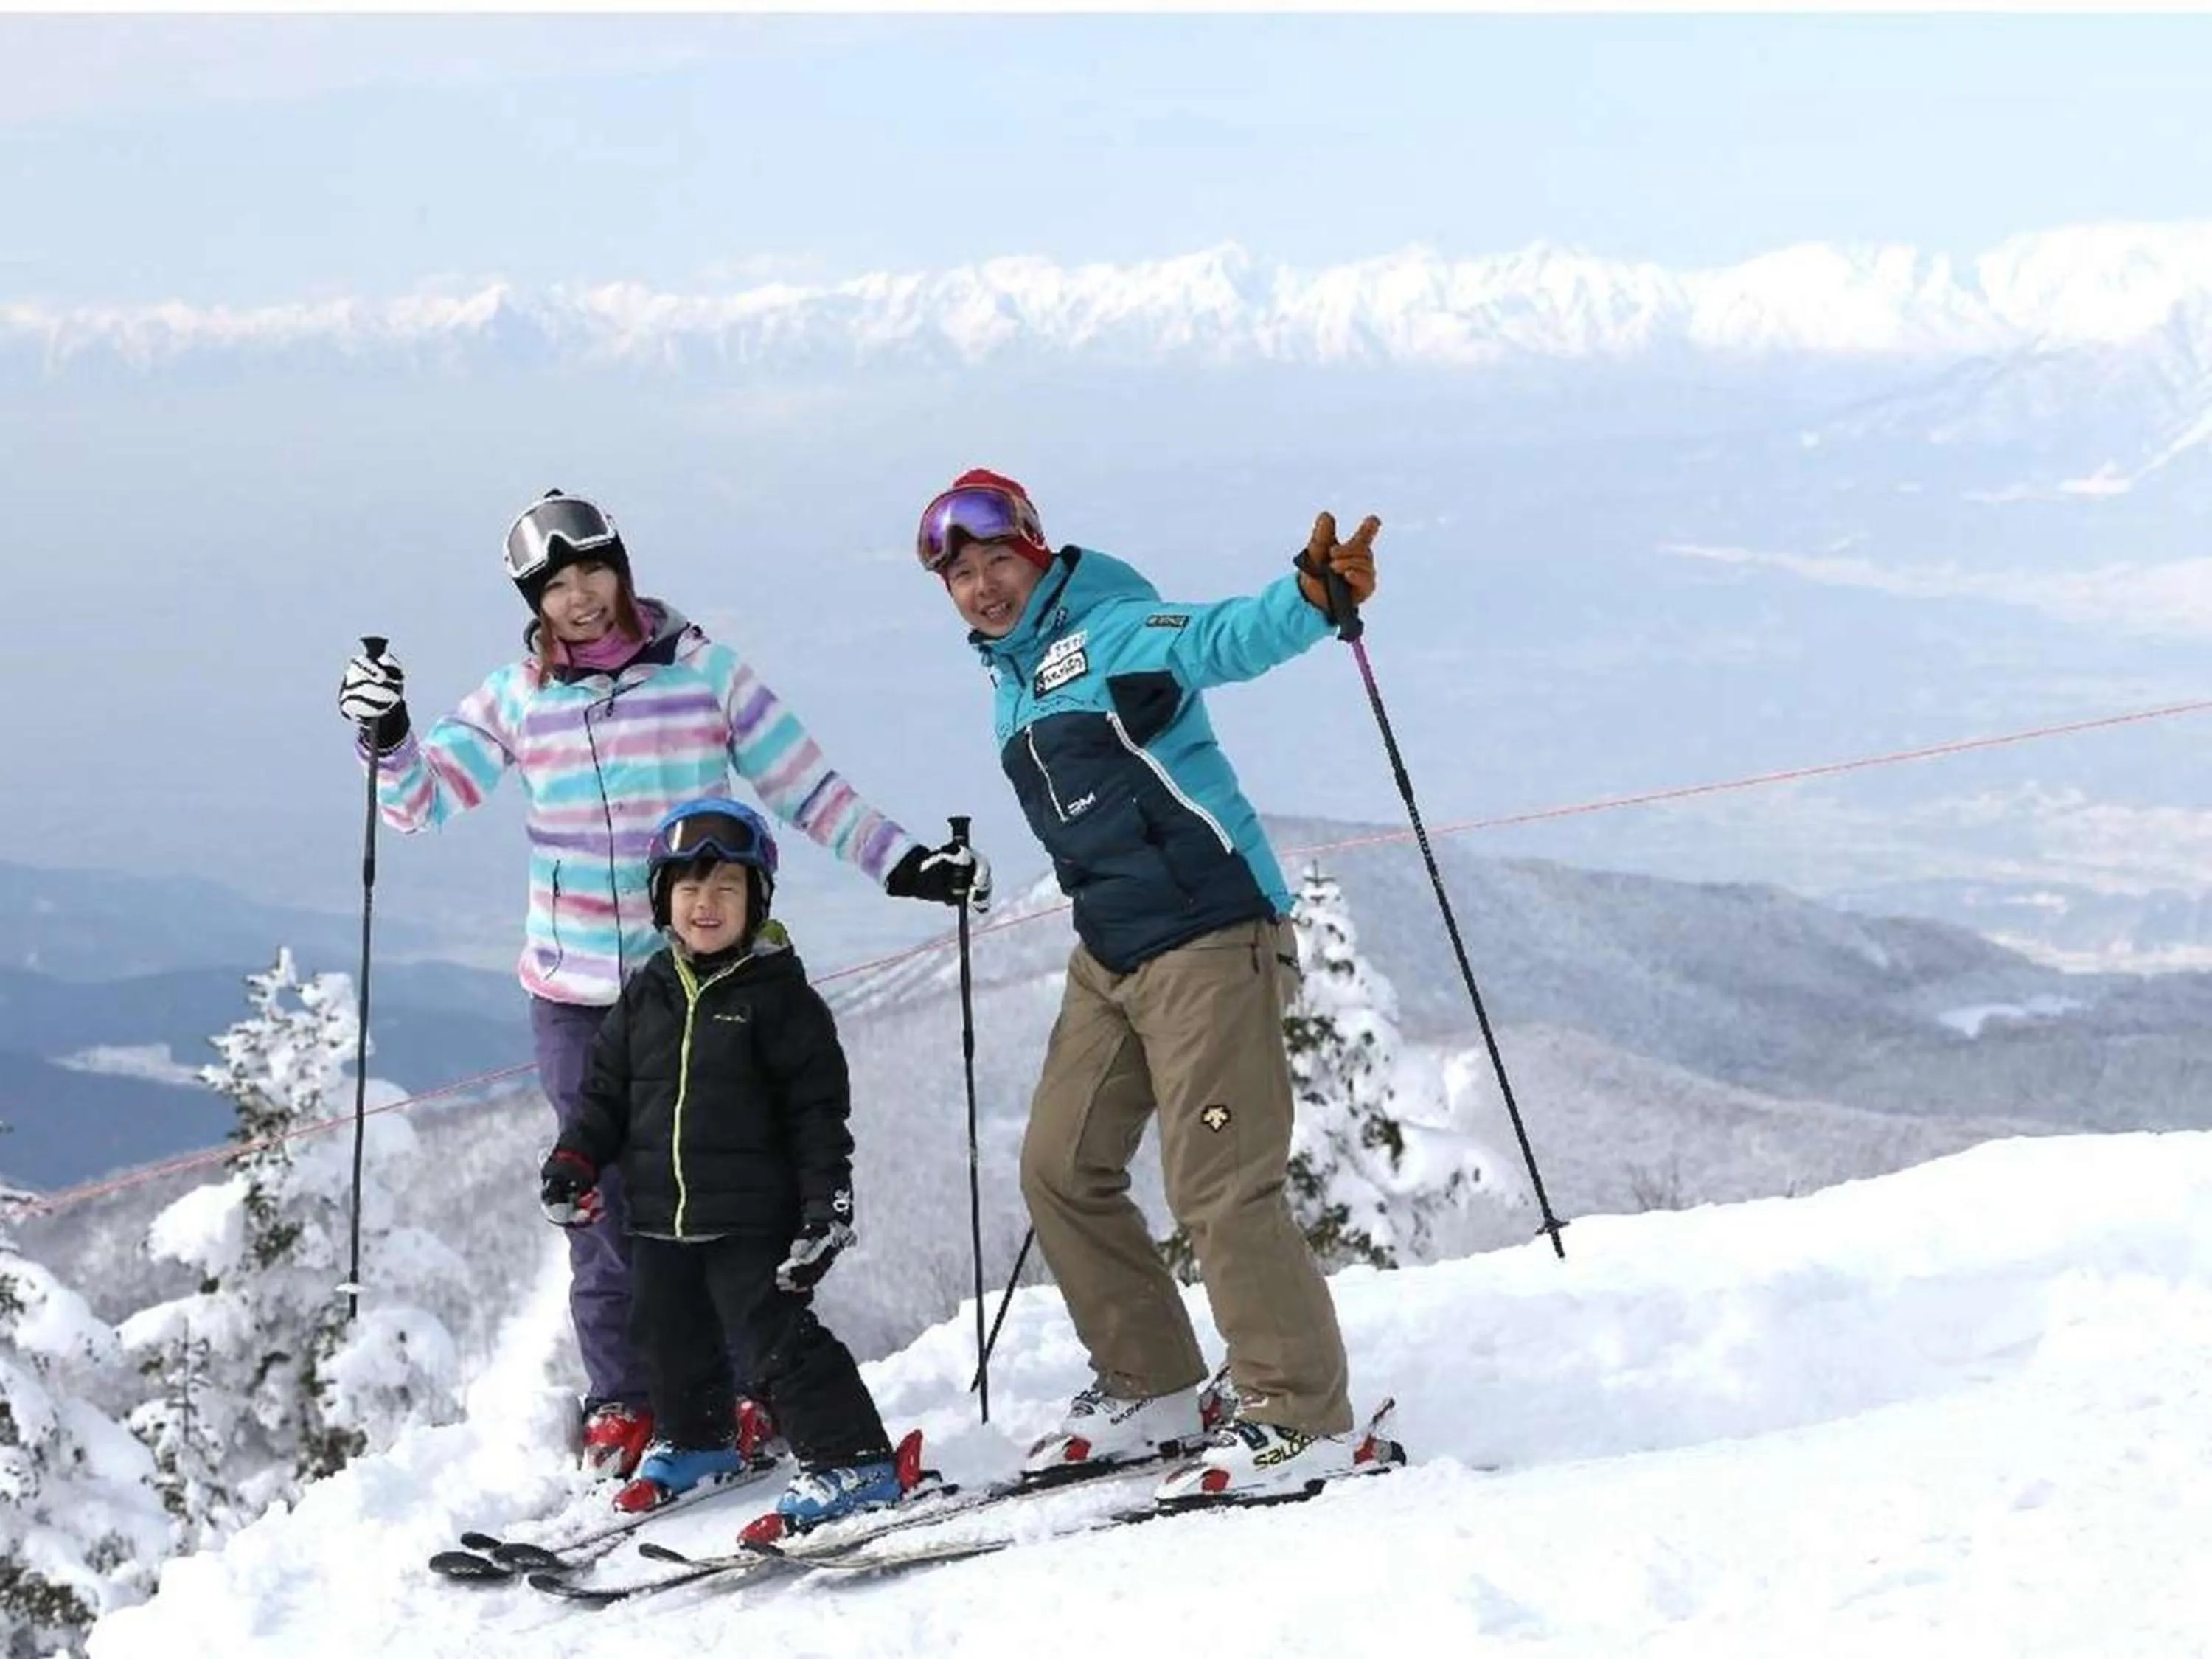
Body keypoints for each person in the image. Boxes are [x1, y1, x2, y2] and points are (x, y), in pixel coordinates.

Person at [336, 490, 990, 1478]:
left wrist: (907, 866)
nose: (581, 598)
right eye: (554, 586)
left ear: (622, 567)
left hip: (706, 985)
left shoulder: (703, 675)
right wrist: (386, 736)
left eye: (592, 571)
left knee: (723, 1200)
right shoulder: (519, 697)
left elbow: (809, 788)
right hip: (574, 995)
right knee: (596, 1203)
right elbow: (422, 801)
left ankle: (741, 1389)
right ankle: (627, 1402)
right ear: (533, 601)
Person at [912, 467, 1382, 1505]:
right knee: (1060, 1166)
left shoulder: (1111, 626)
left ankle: (1298, 1412)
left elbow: (1215, 637)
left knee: (1219, 1182)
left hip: (1211, 934)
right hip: (1112, 952)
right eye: (962, 575)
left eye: (998, 561)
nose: (983, 586)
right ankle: (1157, 1383)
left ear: (1036, 550)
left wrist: (1307, 600)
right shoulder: (1012, 674)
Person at [537, 799, 910, 1531]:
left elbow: (817, 1120)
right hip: (660, 1215)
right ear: (662, 900)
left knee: (774, 1343)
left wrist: (825, 1210)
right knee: (665, 1336)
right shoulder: (649, 991)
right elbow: (605, 1093)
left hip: (750, 1217)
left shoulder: (783, 1001)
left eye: (727, 890)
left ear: (757, 899)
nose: (706, 905)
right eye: (690, 888)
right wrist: (573, 1160)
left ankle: (853, 1458)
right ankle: (700, 1437)